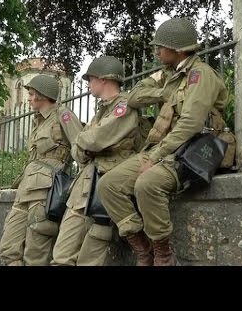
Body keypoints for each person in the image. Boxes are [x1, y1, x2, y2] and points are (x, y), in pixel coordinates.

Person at [97, 18, 229, 266]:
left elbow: (190, 124)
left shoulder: (200, 75)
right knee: (108, 185)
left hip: (193, 149)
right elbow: (134, 97)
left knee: (147, 183)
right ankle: (144, 250)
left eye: (161, 46)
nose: (156, 51)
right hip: (165, 149)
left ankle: (163, 254)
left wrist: (154, 157)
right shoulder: (166, 75)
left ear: (178, 50)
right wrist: (162, 92)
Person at [51, 56, 142, 266]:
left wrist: (88, 143)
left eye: (90, 79)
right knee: (61, 256)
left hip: (105, 189)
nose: (88, 84)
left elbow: (93, 139)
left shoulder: (124, 106)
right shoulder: (101, 112)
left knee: (91, 257)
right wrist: (87, 143)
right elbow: (79, 149)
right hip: (83, 189)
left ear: (103, 79)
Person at [0, 74, 83, 266]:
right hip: (26, 189)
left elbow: (80, 145)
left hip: (47, 191)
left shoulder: (63, 115)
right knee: (9, 248)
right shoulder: (39, 121)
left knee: (36, 253)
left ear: (42, 95)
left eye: (30, 94)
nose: (27, 98)